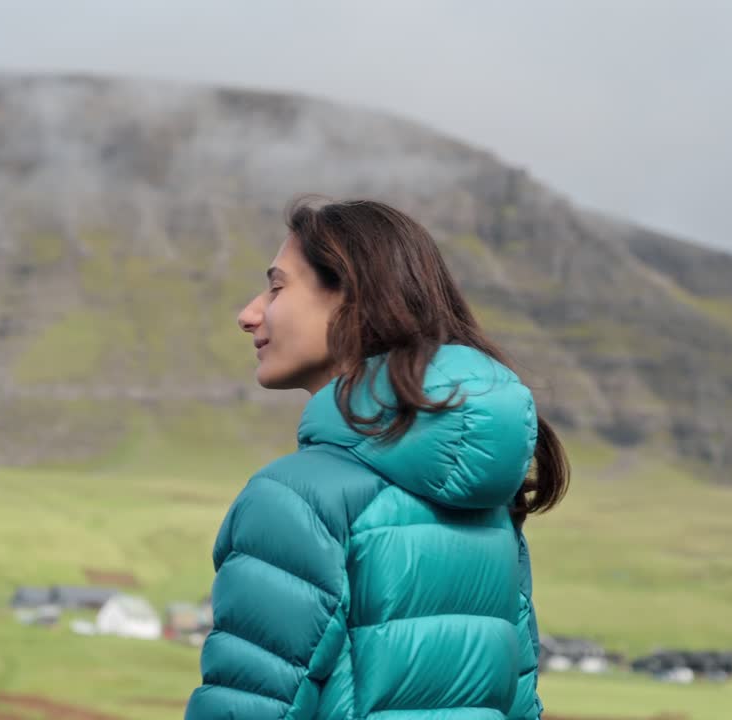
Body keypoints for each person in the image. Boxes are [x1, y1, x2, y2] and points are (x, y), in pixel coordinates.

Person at [183, 195, 569, 720]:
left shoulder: (297, 500)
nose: (248, 315)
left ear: (350, 300)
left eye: (276, 288)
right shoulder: (491, 505)